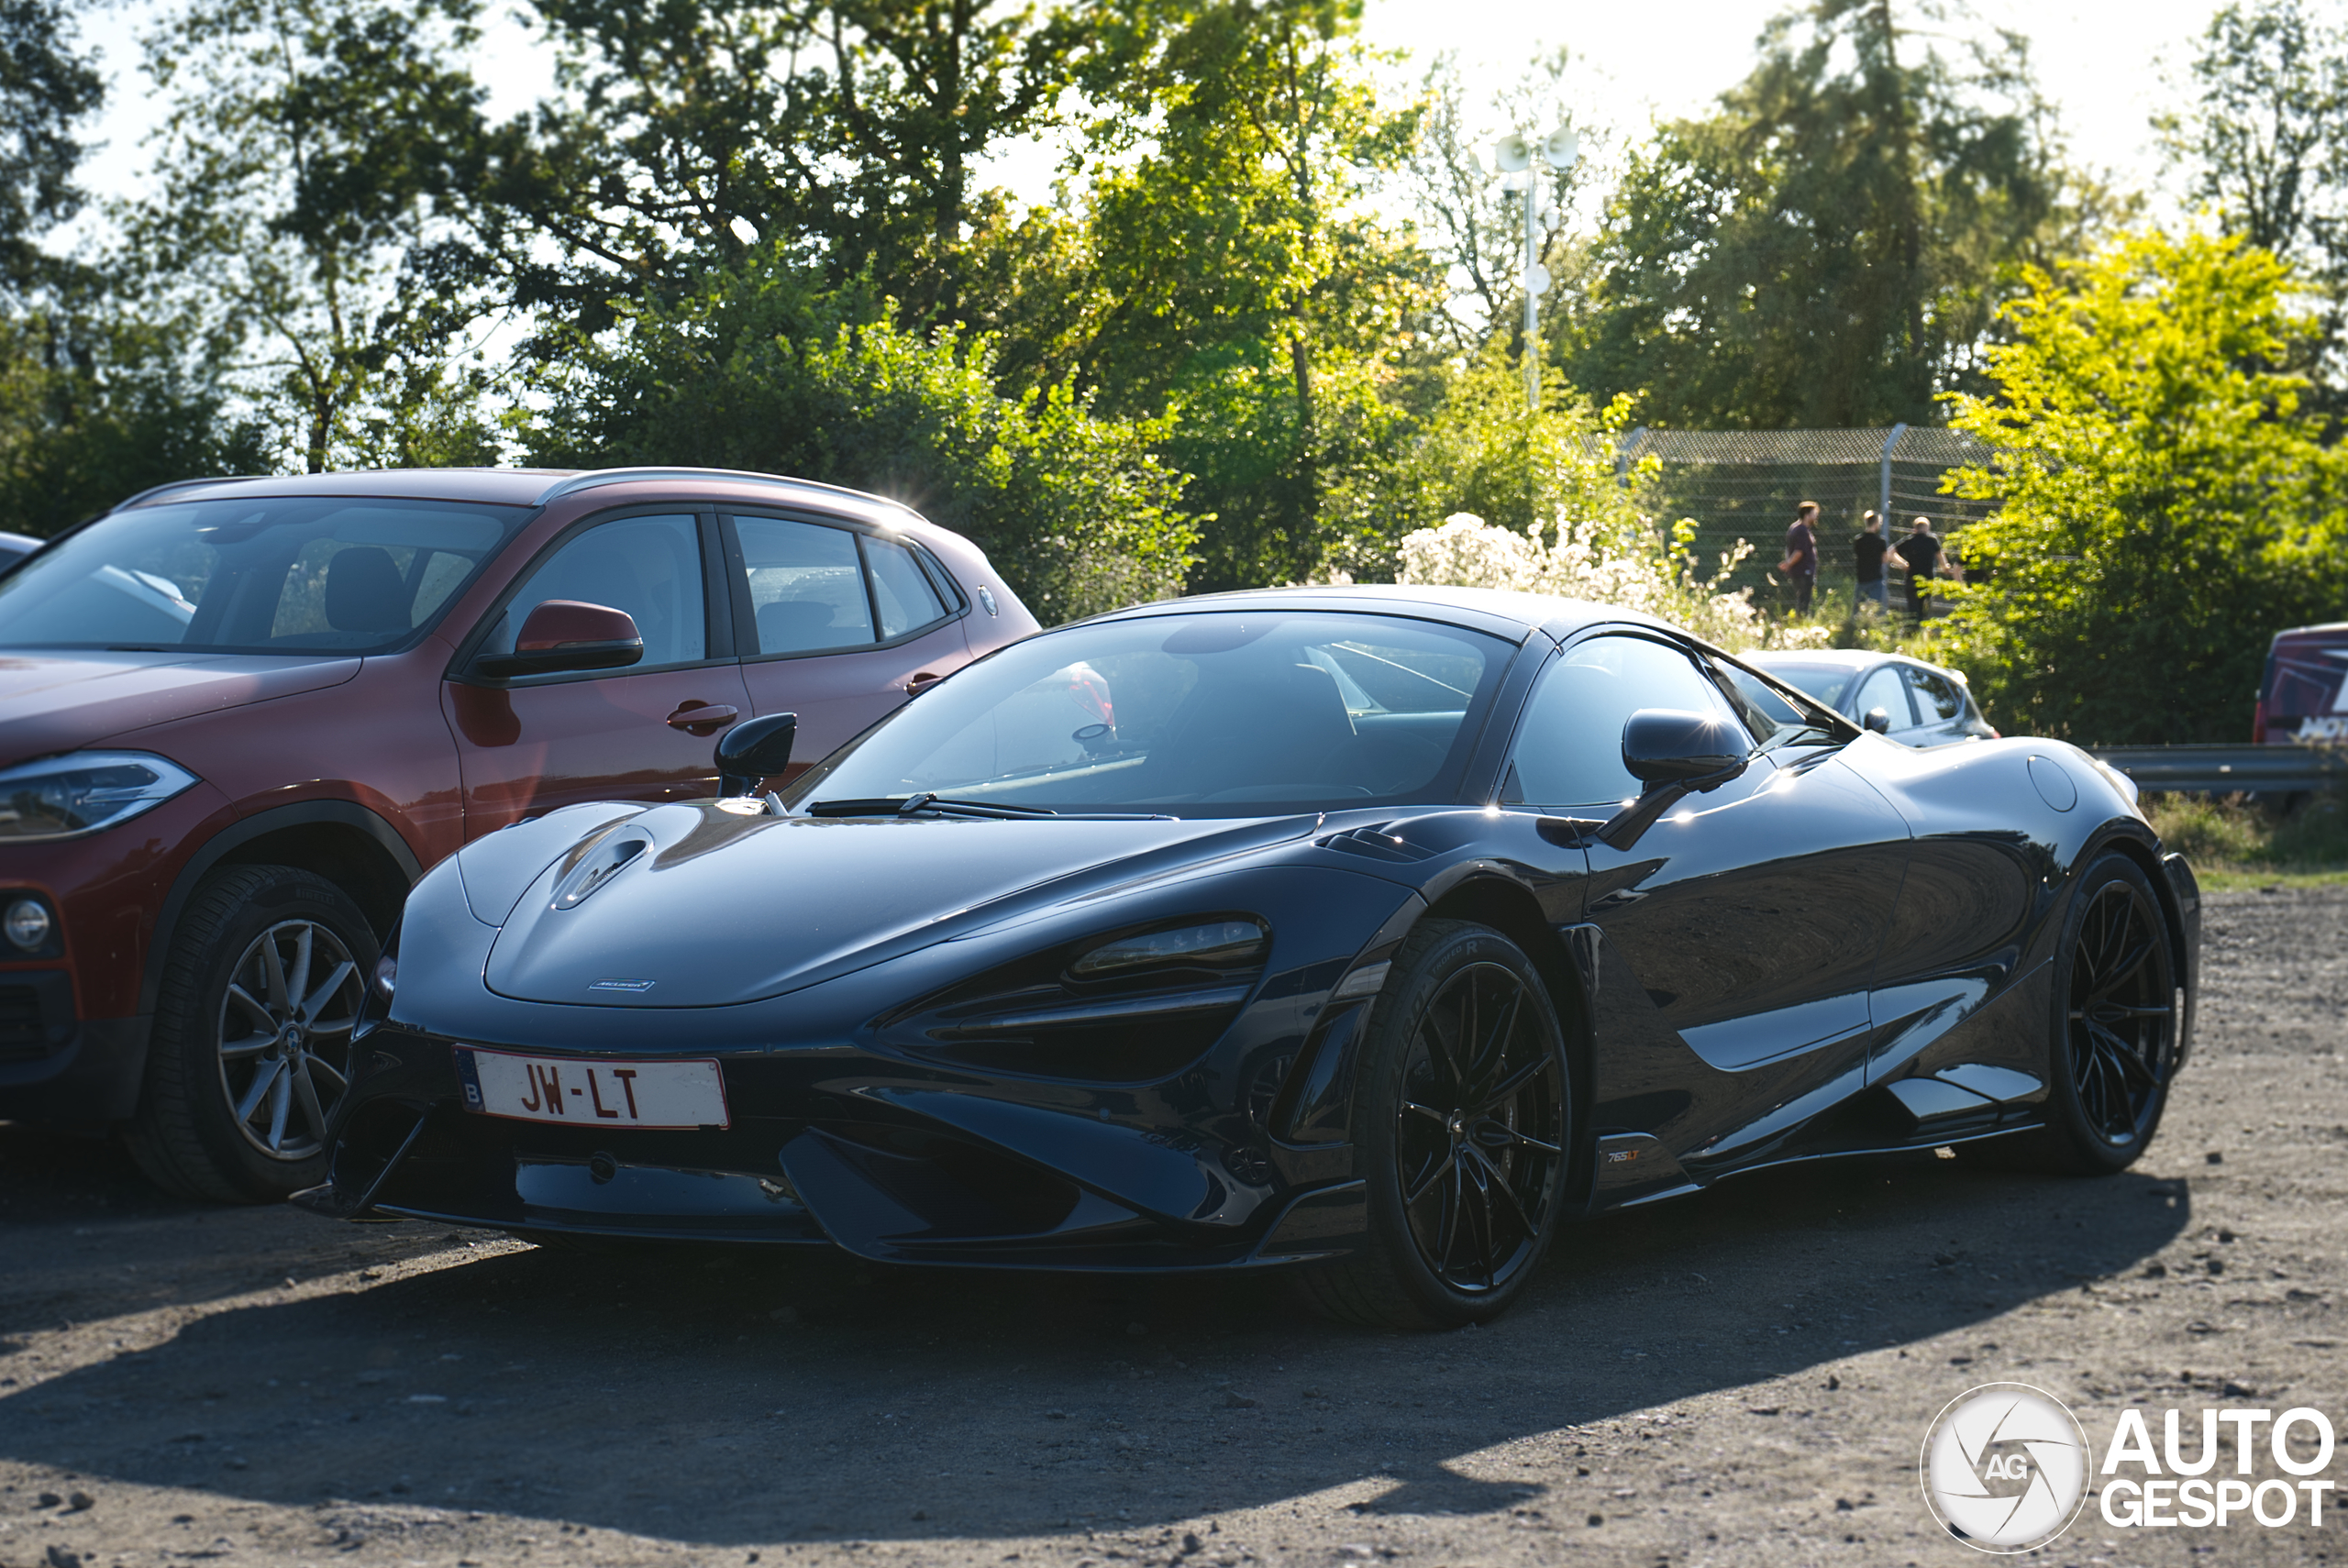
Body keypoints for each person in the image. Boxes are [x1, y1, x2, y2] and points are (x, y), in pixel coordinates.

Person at [1889, 515, 1946, 624]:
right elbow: (1940, 556)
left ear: (1915, 529)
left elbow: (1890, 552)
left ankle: (1911, 630)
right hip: (1928, 580)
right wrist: (1945, 567)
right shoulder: (1932, 540)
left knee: (1912, 608)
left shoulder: (1910, 540)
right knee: (1925, 608)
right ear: (1927, 528)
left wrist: (1903, 564)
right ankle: (1921, 629)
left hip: (1912, 579)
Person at [1778, 502, 1821, 616]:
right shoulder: (1802, 531)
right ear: (1806, 515)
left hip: (1798, 571)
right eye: (1814, 513)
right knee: (1804, 600)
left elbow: (1788, 549)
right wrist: (1789, 564)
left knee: (1802, 599)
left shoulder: (1794, 528)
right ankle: (1801, 622)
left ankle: (1800, 621)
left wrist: (1788, 562)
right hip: (1803, 571)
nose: (1816, 516)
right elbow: (1799, 552)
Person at [1852, 510, 1891, 612]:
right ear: (1876, 523)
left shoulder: (1858, 540)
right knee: (1874, 607)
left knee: (1858, 606)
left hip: (1862, 578)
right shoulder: (1880, 541)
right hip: (1875, 578)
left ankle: (1855, 623)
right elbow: (1884, 559)